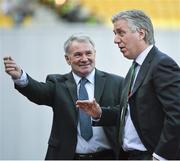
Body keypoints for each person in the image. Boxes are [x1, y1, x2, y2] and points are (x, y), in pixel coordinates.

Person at [76, 9, 180, 160]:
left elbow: (177, 115)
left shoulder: (162, 64)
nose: (116, 40)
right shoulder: (135, 68)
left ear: (141, 33)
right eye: (115, 33)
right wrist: (100, 113)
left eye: (121, 33)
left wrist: (160, 156)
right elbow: (131, 112)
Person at [3, 34, 124, 160]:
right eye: (78, 54)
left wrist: (100, 113)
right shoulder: (57, 83)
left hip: (107, 156)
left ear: (94, 54)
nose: (84, 59)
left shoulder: (116, 82)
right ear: (67, 59)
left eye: (88, 53)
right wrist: (20, 77)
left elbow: (123, 114)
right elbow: (38, 92)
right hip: (66, 156)